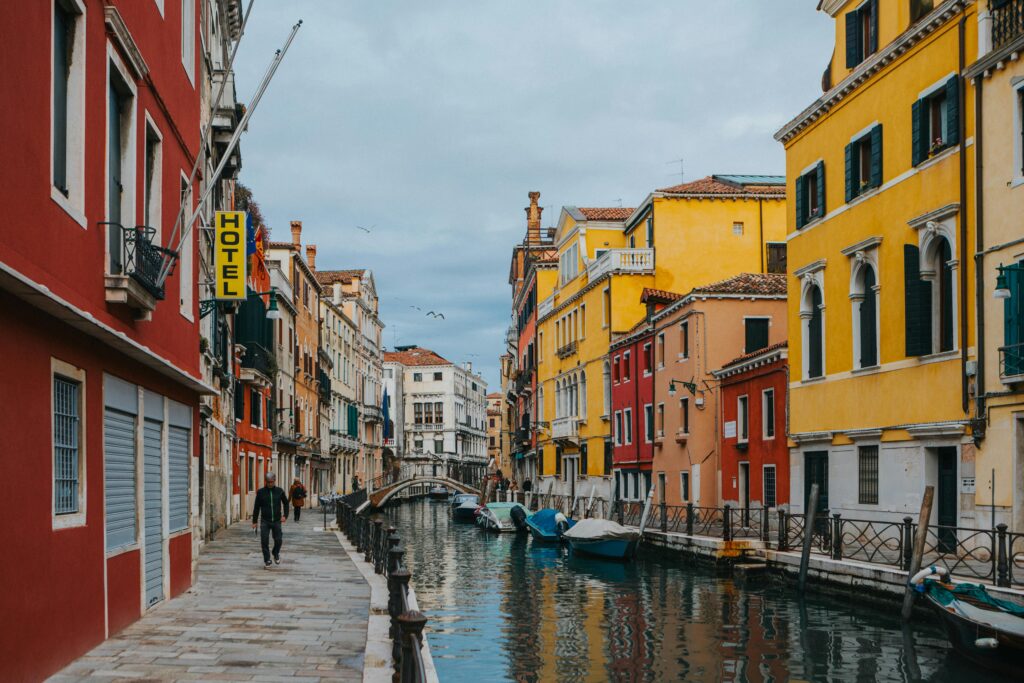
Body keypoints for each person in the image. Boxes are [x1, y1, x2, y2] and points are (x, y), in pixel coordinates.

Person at [252, 472, 289, 568]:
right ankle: (267, 560)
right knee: (264, 540)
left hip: (277, 520)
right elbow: (256, 507)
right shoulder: (260, 492)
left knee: (278, 540)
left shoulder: (279, 491)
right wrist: (254, 521)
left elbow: (286, 503)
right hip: (265, 520)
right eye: (268, 482)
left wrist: (285, 515)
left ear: (274, 481)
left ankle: (275, 553)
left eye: (272, 482)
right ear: (266, 481)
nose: (270, 484)